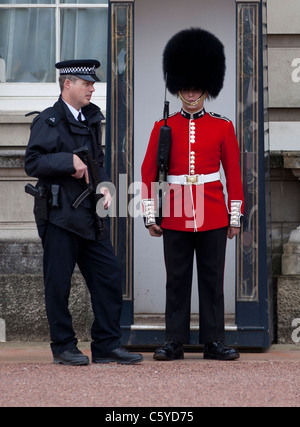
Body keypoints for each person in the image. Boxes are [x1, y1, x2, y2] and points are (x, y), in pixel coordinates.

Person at [25, 59, 142, 366]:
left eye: (92, 84)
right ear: (68, 84)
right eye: (86, 83)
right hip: (60, 215)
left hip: (89, 216)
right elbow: (33, 163)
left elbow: (97, 160)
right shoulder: (48, 121)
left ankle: (106, 345)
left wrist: (104, 185)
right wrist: (67, 162)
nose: (92, 88)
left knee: (109, 276)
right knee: (58, 283)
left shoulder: (91, 119)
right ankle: (63, 346)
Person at [141, 28, 244, 361]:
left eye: (196, 88)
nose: (190, 93)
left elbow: (234, 174)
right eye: (185, 87)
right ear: (178, 87)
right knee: (178, 279)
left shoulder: (223, 126)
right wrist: (150, 214)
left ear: (206, 89)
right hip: (175, 211)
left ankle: (214, 341)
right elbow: (146, 173)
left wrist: (235, 215)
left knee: (213, 281)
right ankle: (175, 340)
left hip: (213, 210)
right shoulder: (163, 126)